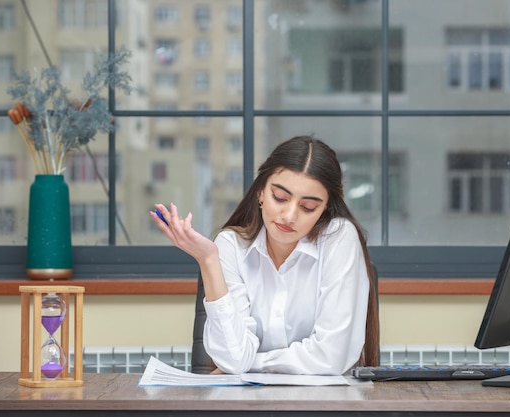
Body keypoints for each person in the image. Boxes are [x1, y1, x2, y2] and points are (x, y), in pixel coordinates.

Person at [151, 135, 379, 375]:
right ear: (261, 191)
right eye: (280, 198)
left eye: (308, 207)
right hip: (248, 407)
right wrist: (208, 261)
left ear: (324, 209)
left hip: (326, 405)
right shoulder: (231, 245)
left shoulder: (339, 237)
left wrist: (255, 364)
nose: (290, 215)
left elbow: (331, 357)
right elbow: (234, 358)